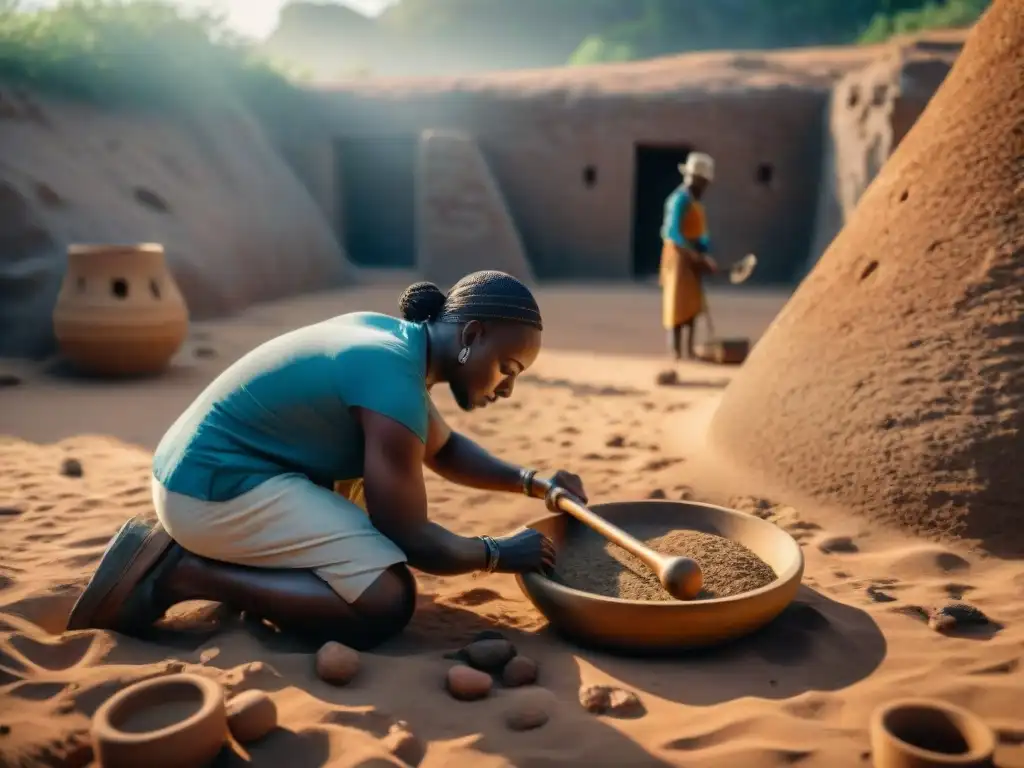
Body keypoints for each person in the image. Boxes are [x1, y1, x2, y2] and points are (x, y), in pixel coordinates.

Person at [66, 271, 587, 650]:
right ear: (472, 337)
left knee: (362, 528)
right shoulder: (391, 378)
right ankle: (183, 574)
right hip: (211, 491)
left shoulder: (394, 345)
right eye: (508, 368)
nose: (507, 389)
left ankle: (228, 559)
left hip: (196, 470)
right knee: (384, 598)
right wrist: (497, 553)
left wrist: (536, 484)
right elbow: (409, 536)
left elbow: (445, 449)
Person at [659, 152, 719, 360]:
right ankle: (675, 349)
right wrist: (692, 254)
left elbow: (702, 232)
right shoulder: (678, 200)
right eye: (702, 182)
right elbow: (672, 232)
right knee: (677, 302)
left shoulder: (696, 203)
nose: (704, 187)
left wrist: (703, 253)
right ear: (693, 178)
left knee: (693, 304)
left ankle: (689, 349)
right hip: (677, 255)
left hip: (693, 255)